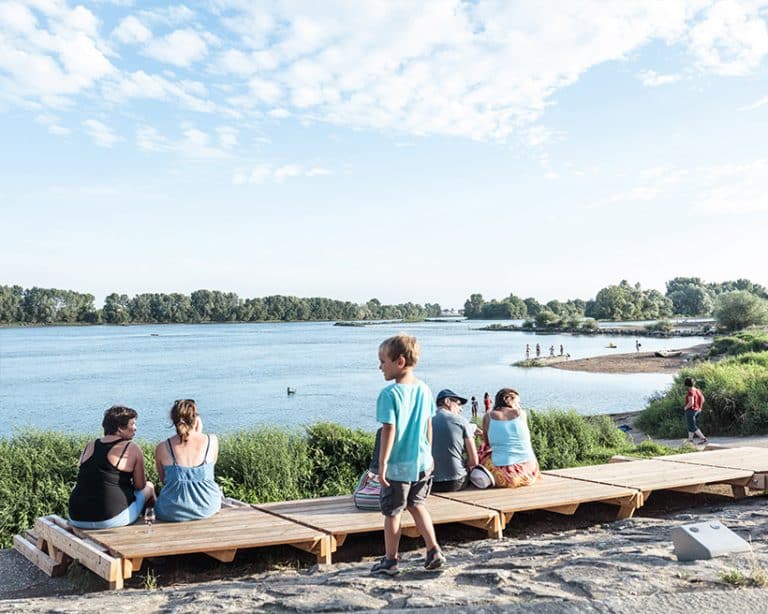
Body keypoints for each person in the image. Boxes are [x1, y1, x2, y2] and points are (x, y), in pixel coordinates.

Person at [371, 334, 445, 575]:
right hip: (423, 462)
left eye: (383, 361)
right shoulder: (424, 389)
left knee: (392, 512)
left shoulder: (389, 395)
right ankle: (433, 549)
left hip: (398, 466)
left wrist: (382, 465)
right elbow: (428, 425)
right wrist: (431, 455)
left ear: (399, 362)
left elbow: (388, 430)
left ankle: (390, 559)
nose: (380, 366)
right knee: (418, 505)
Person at [68, 405, 155, 529]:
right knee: (149, 487)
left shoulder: (90, 445)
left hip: (77, 518)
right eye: (132, 424)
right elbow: (140, 486)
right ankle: (151, 525)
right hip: (111, 520)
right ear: (120, 428)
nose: (135, 428)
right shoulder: (131, 448)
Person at [154, 399, 222, 522]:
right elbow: (210, 469)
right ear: (195, 418)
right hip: (206, 507)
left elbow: (164, 480)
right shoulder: (211, 441)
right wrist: (198, 431)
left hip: (171, 512)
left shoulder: (162, 447)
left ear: (173, 420)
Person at [478, 388, 540, 488]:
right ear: (508, 399)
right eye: (517, 402)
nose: (518, 406)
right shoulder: (521, 414)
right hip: (529, 472)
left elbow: (487, 443)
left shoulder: (488, 416)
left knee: (482, 449)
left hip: (502, 477)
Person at [431, 389, 480, 493]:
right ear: (447, 401)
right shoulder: (461, 421)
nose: (461, 409)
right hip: (455, 482)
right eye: (458, 404)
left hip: (430, 483)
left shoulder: (425, 421)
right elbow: (474, 461)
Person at [683, 377, 707, 445]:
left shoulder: (690, 392)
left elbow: (691, 402)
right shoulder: (697, 390)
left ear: (686, 385)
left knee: (692, 426)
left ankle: (703, 438)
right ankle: (690, 440)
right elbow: (703, 399)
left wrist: (685, 407)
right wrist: (700, 407)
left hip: (691, 411)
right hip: (698, 410)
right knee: (690, 425)